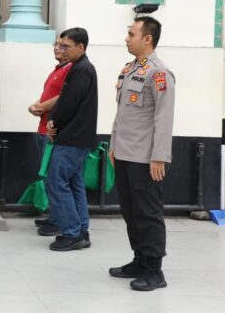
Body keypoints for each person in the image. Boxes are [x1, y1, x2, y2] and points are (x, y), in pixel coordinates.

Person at [109, 17, 175, 291]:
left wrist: (159, 156)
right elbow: (122, 113)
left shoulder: (159, 73)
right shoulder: (130, 69)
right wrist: (113, 145)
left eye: (131, 33)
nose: (127, 37)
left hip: (146, 158)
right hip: (124, 153)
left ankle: (154, 270)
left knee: (148, 213)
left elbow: (164, 118)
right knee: (130, 211)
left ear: (147, 38)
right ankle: (139, 259)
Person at [45, 27, 98, 251]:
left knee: (56, 181)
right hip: (78, 138)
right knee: (74, 183)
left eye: (67, 46)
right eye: (61, 45)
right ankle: (80, 229)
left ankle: (71, 232)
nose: (62, 50)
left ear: (81, 47)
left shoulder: (81, 70)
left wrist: (53, 123)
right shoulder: (80, 68)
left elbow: (68, 104)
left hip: (72, 138)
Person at [28, 37, 72, 236]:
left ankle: (59, 222)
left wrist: (40, 107)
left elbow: (64, 97)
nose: (57, 48)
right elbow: (47, 95)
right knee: (47, 177)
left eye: (62, 46)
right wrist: (35, 105)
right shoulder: (57, 70)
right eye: (55, 45)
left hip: (53, 131)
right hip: (42, 127)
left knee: (55, 179)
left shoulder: (71, 69)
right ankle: (54, 217)